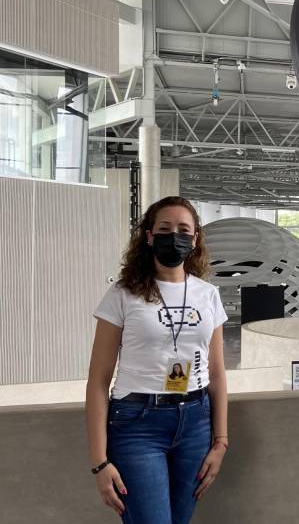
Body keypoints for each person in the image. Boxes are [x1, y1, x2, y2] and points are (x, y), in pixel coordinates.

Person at [85, 196, 230, 523]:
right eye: (164, 229)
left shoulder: (208, 295)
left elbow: (217, 373)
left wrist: (221, 441)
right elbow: (98, 381)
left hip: (196, 423)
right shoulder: (123, 294)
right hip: (138, 425)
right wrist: (99, 462)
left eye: (184, 230)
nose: (174, 236)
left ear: (195, 239)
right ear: (149, 236)